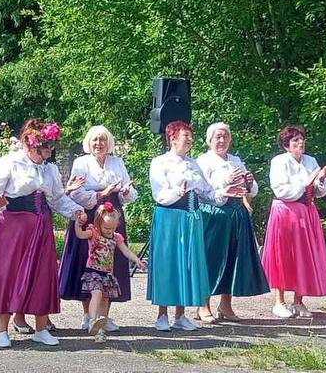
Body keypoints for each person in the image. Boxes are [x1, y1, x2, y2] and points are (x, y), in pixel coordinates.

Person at [0, 119, 85, 348]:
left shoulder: (49, 169)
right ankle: (2, 331)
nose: (49, 151)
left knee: (42, 274)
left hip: (41, 226)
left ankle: (41, 329)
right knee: (8, 273)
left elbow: (57, 198)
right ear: (31, 144)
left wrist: (76, 211)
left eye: (51, 146)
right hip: (13, 227)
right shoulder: (10, 162)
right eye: (45, 146)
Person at [57, 124, 138, 332]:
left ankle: (104, 316)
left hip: (112, 216)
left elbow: (128, 193)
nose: (99, 144)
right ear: (89, 142)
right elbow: (76, 194)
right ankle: (88, 315)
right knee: (87, 263)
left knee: (111, 264)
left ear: (108, 143)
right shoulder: (81, 163)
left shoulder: (117, 162)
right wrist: (101, 194)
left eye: (103, 140)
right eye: (95, 139)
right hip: (90, 215)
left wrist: (125, 192)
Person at [147, 121, 217, 332]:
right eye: (185, 135)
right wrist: (179, 190)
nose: (189, 139)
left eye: (190, 136)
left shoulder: (193, 164)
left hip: (191, 219)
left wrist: (225, 191)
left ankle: (180, 315)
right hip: (170, 218)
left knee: (187, 264)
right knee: (167, 263)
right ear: (173, 138)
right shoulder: (160, 162)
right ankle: (162, 315)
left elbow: (207, 191)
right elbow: (160, 194)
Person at [195, 122, 269, 322]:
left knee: (233, 259)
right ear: (209, 140)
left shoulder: (235, 160)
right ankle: (203, 305)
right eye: (218, 137)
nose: (222, 140)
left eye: (225, 136)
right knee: (211, 259)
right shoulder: (203, 161)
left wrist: (249, 182)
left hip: (237, 214)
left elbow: (250, 190)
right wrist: (226, 181)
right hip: (214, 215)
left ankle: (225, 305)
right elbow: (202, 191)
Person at [261, 125, 326, 319]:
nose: (300, 143)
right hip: (285, 211)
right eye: (295, 141)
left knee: (304, 255)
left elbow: (318, 192)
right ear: (287, 145)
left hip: (306, 211)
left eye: (302, 140)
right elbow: (280, 190)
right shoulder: (279, 162)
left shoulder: (310, 161)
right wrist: (305, 182)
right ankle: (279, 302)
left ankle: (298, 301)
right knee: (283, 255)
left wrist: (321, 180)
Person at [72, 202, 146, 343]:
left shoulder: (116, 237)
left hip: (107, 274)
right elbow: (80, 234)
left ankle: (100, 327)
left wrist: (137, 260)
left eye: (112, 228)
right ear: (98, 222)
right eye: (106, 228)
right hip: (93, 272)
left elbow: (126, 251)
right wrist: (77, 223)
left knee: (105, 299)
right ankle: (92, 320)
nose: (109, 231)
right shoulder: (93, 232)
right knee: (97, 293)